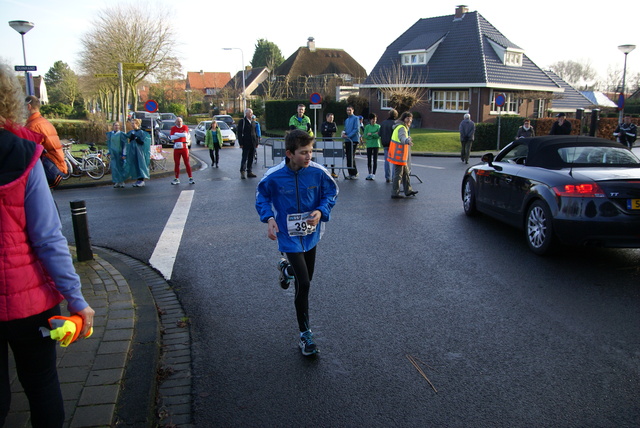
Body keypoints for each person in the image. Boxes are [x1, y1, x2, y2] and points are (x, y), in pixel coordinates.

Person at [0, 61, 95, 428]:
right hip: (29, 303)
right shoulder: (24, 155)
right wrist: (77, 299)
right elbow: (48, 238)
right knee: (41, 386)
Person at [255, 129, 338, 356]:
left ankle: (286, 268)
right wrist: (269, 219)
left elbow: (331, 193)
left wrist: (321, 211)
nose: (309, 156)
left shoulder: (318, 173)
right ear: (289, 153)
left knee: (306, 277)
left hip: (311, 233)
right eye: (303, 153)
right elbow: (261, 196)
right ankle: (305, 335)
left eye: (311, 151)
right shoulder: (274, 176)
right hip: (288, 235)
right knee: (305, 284)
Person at [25, 95, 67, 174]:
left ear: (28, 106)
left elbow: (30, 153)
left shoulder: (33, 126)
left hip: (47, 167)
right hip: (57, 164)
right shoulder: (44, 122)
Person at [388, 111, 418, 199]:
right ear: (403, 119)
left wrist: (407, 139)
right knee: (399, 174)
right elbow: (402, 138)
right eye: (408, 118)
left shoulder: (399, 126)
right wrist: (407, 140)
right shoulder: (402, 128)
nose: (410, 120)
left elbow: (401, 137)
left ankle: (408, 190)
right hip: (399, 155)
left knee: (405, 173)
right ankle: (395, 193)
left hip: (399, 155)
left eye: (411, 118)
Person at [126, 118, 151, 187]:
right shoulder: (132, 132)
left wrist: (136, 138)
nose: (132, 125)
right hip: (133, 151)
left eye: (133, 123)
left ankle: (141, 180)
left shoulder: (141, 132)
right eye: (132, 123)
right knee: (135, 164)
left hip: (139, 151)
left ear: (137, 124)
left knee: (140, 164)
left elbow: (142, 142)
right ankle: (138, 179)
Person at [170, 117, 194, 185]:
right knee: (177, 163)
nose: (180, 123)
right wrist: (179, 135)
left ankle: (190, 177)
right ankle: (176, 178)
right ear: (175, 122)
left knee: (187, 163)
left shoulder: (185, 127)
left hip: (184, 147)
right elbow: (172, 137)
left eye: (181, 121)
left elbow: (185, 135)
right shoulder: (173, 128)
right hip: (176, 148)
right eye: (178, 121)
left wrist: (176, 134)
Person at [237, 108, 259, 179]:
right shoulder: (242, 122)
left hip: (252, 143)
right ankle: (242, 171)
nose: (251, 114)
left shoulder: (253, 122)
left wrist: (256, 142)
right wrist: (240, 143)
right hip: (245, 143)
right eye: (250, 113)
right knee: (244, 157)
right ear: (246, 114)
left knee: (251, 158)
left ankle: (249, 171)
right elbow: (239, 133)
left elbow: (255, 133)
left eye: (252, 113)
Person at [106, 121, 128, 188]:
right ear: (113, 126)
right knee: (114, 168)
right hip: (113, 154)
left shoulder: (122, 134)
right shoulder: (110, 134)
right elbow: (109, 144)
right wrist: (109, 152)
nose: (117, 127)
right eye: (115, 125)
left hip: (120, 153)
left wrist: (124, 154)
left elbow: (125, 145)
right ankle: (117, 181)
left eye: (118, 125)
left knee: (120, 167)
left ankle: (121, 181)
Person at [379, 109, 398, 183]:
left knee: (386, 161)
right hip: (393, 144)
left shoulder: (383, 123)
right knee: (394, 162)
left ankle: (387, 176)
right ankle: (393, 177)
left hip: (385, 143)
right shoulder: (396, 124)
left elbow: (380, 134)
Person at [342, 105, 360, 179]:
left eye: (350, 110)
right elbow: (346, 128)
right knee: (348, 157)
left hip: (353, 140)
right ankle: (350, 173)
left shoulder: (356, 118)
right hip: (347, 140)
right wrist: (344, 133)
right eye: (347, 110)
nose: (348, 112)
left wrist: (349, 136)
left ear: (353, 110)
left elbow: (356, 129)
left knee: (351, 156)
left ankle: (354, 173)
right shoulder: (347, 120)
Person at [363, 113, 381, 180]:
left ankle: (373, 174)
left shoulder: (378, 126)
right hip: (369, 144)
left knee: (375, 159)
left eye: (375, 119)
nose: (374, 120)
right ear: (370, 119)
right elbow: (365, 136)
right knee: (369, 159)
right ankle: (369, 173)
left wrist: (371, 134)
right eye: (373, 119)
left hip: (376, 144)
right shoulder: (367, 127)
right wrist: (373, 134)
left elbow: (378, 135)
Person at [320, 112, 338, 178]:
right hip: (325, 142)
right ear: (327, 118)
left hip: (332, 142)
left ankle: (333, 172)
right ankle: (325, 171)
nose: (331, 119)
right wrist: (329, 130)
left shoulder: (334, 124)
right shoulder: (324, 124)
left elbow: (335, 129)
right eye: (330, 118)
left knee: (332, 157)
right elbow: (322, 131)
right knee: (326, 157)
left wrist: (327, 130)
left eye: (332, 118)